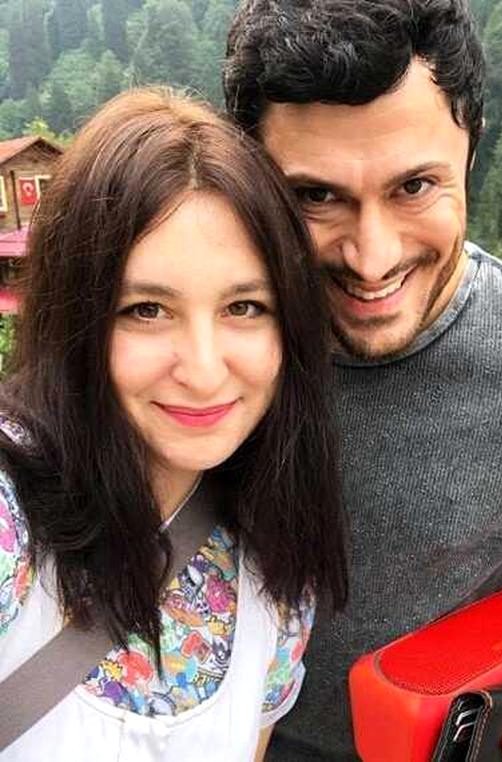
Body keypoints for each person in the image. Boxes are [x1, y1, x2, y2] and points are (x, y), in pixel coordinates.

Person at [223, 1, 502, 760]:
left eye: (414, 186)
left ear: (471, 147)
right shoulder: (203, 348)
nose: (372, 257)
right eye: (316, 196)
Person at [0, 88, 347, 761]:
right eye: (146, 310)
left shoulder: (274, 570)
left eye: (244, 307)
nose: (204, 370)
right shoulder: (13, 519)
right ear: (78, 322)